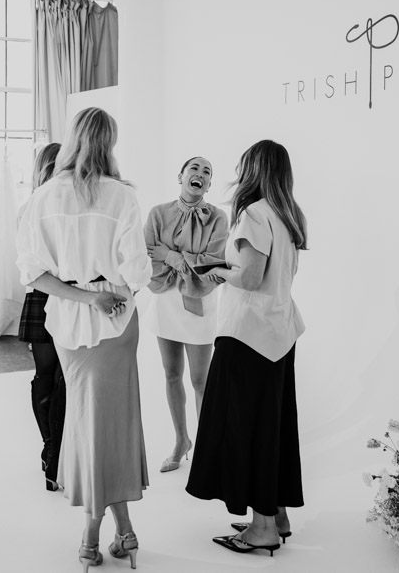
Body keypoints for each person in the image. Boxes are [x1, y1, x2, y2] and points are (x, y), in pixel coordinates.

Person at [16, 107, 152, 572]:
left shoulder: (43, 197)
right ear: (109, 142)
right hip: (116, 320)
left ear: (72, 141)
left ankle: (94, 538)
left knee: (88, 424)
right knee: (110, 424)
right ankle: (117, 533)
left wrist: (81, 295)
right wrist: (110, 293)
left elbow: (33, 274)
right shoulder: (123, 196)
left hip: (71, 324)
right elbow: (138, 273)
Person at [185, 139, 307, 557]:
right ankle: (277, 515)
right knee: (274, 427)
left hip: (249, 336)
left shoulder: (255, 214)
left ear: (254, 169)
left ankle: (261, 530)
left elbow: (251, 277)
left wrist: (218, 271)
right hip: (280, 334)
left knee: (247, 429)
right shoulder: (289, 215)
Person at [141, 156, 228, 473]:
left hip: (200, 304)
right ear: (181, 175)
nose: (201, 174)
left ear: (208, 184)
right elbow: (145, 254)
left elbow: (214, 262)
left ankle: (207, 447)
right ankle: (181, 440)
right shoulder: (157, 213)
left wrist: (173, 256)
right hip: (166, 301)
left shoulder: (219, 218)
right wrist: (171, 259)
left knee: (201, 380)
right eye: (195, 168)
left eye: (207, 172)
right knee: (171, 374)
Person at [16, 142, 65, 491]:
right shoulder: (56, 204)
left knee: (47, 376)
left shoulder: (29, 206)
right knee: (59, 377)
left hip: (42, 293)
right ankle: (56, 449)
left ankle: (52, 449)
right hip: (60, 293)